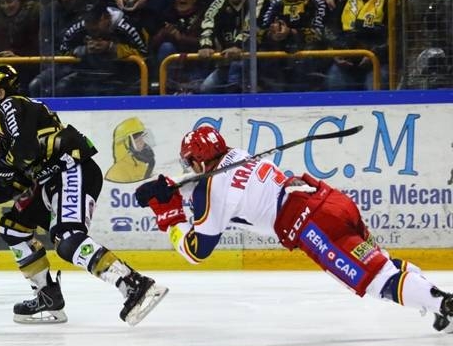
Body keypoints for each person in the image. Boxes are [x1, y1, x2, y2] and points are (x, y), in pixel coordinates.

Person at [134, 125, 453, 333]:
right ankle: (435, 301)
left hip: (313, 226)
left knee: (373, 279)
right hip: (329, 201)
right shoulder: (239, 155)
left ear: (201, 161)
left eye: (190, 162)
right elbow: (220, 186)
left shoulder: (210, 192)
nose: (188, 168)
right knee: (379, 261)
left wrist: (169, 214)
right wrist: (171, 185)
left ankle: (442, 303)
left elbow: (196, 251)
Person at [0, 64, 168, 326]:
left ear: (0, 91)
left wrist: (3, 164)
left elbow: (24, 152)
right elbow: (17, 181)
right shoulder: (5, 127)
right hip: (52, 179)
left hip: (71, 170)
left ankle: (134, 284)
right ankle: (47, 297)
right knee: (13, 228)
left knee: (67, 239)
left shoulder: (9, 106)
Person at [105, 117, 155, 183]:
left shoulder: (142, 166)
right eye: (138, 141)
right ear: (126, 145)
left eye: (142, 139)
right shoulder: (116, 173)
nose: (143, 143)